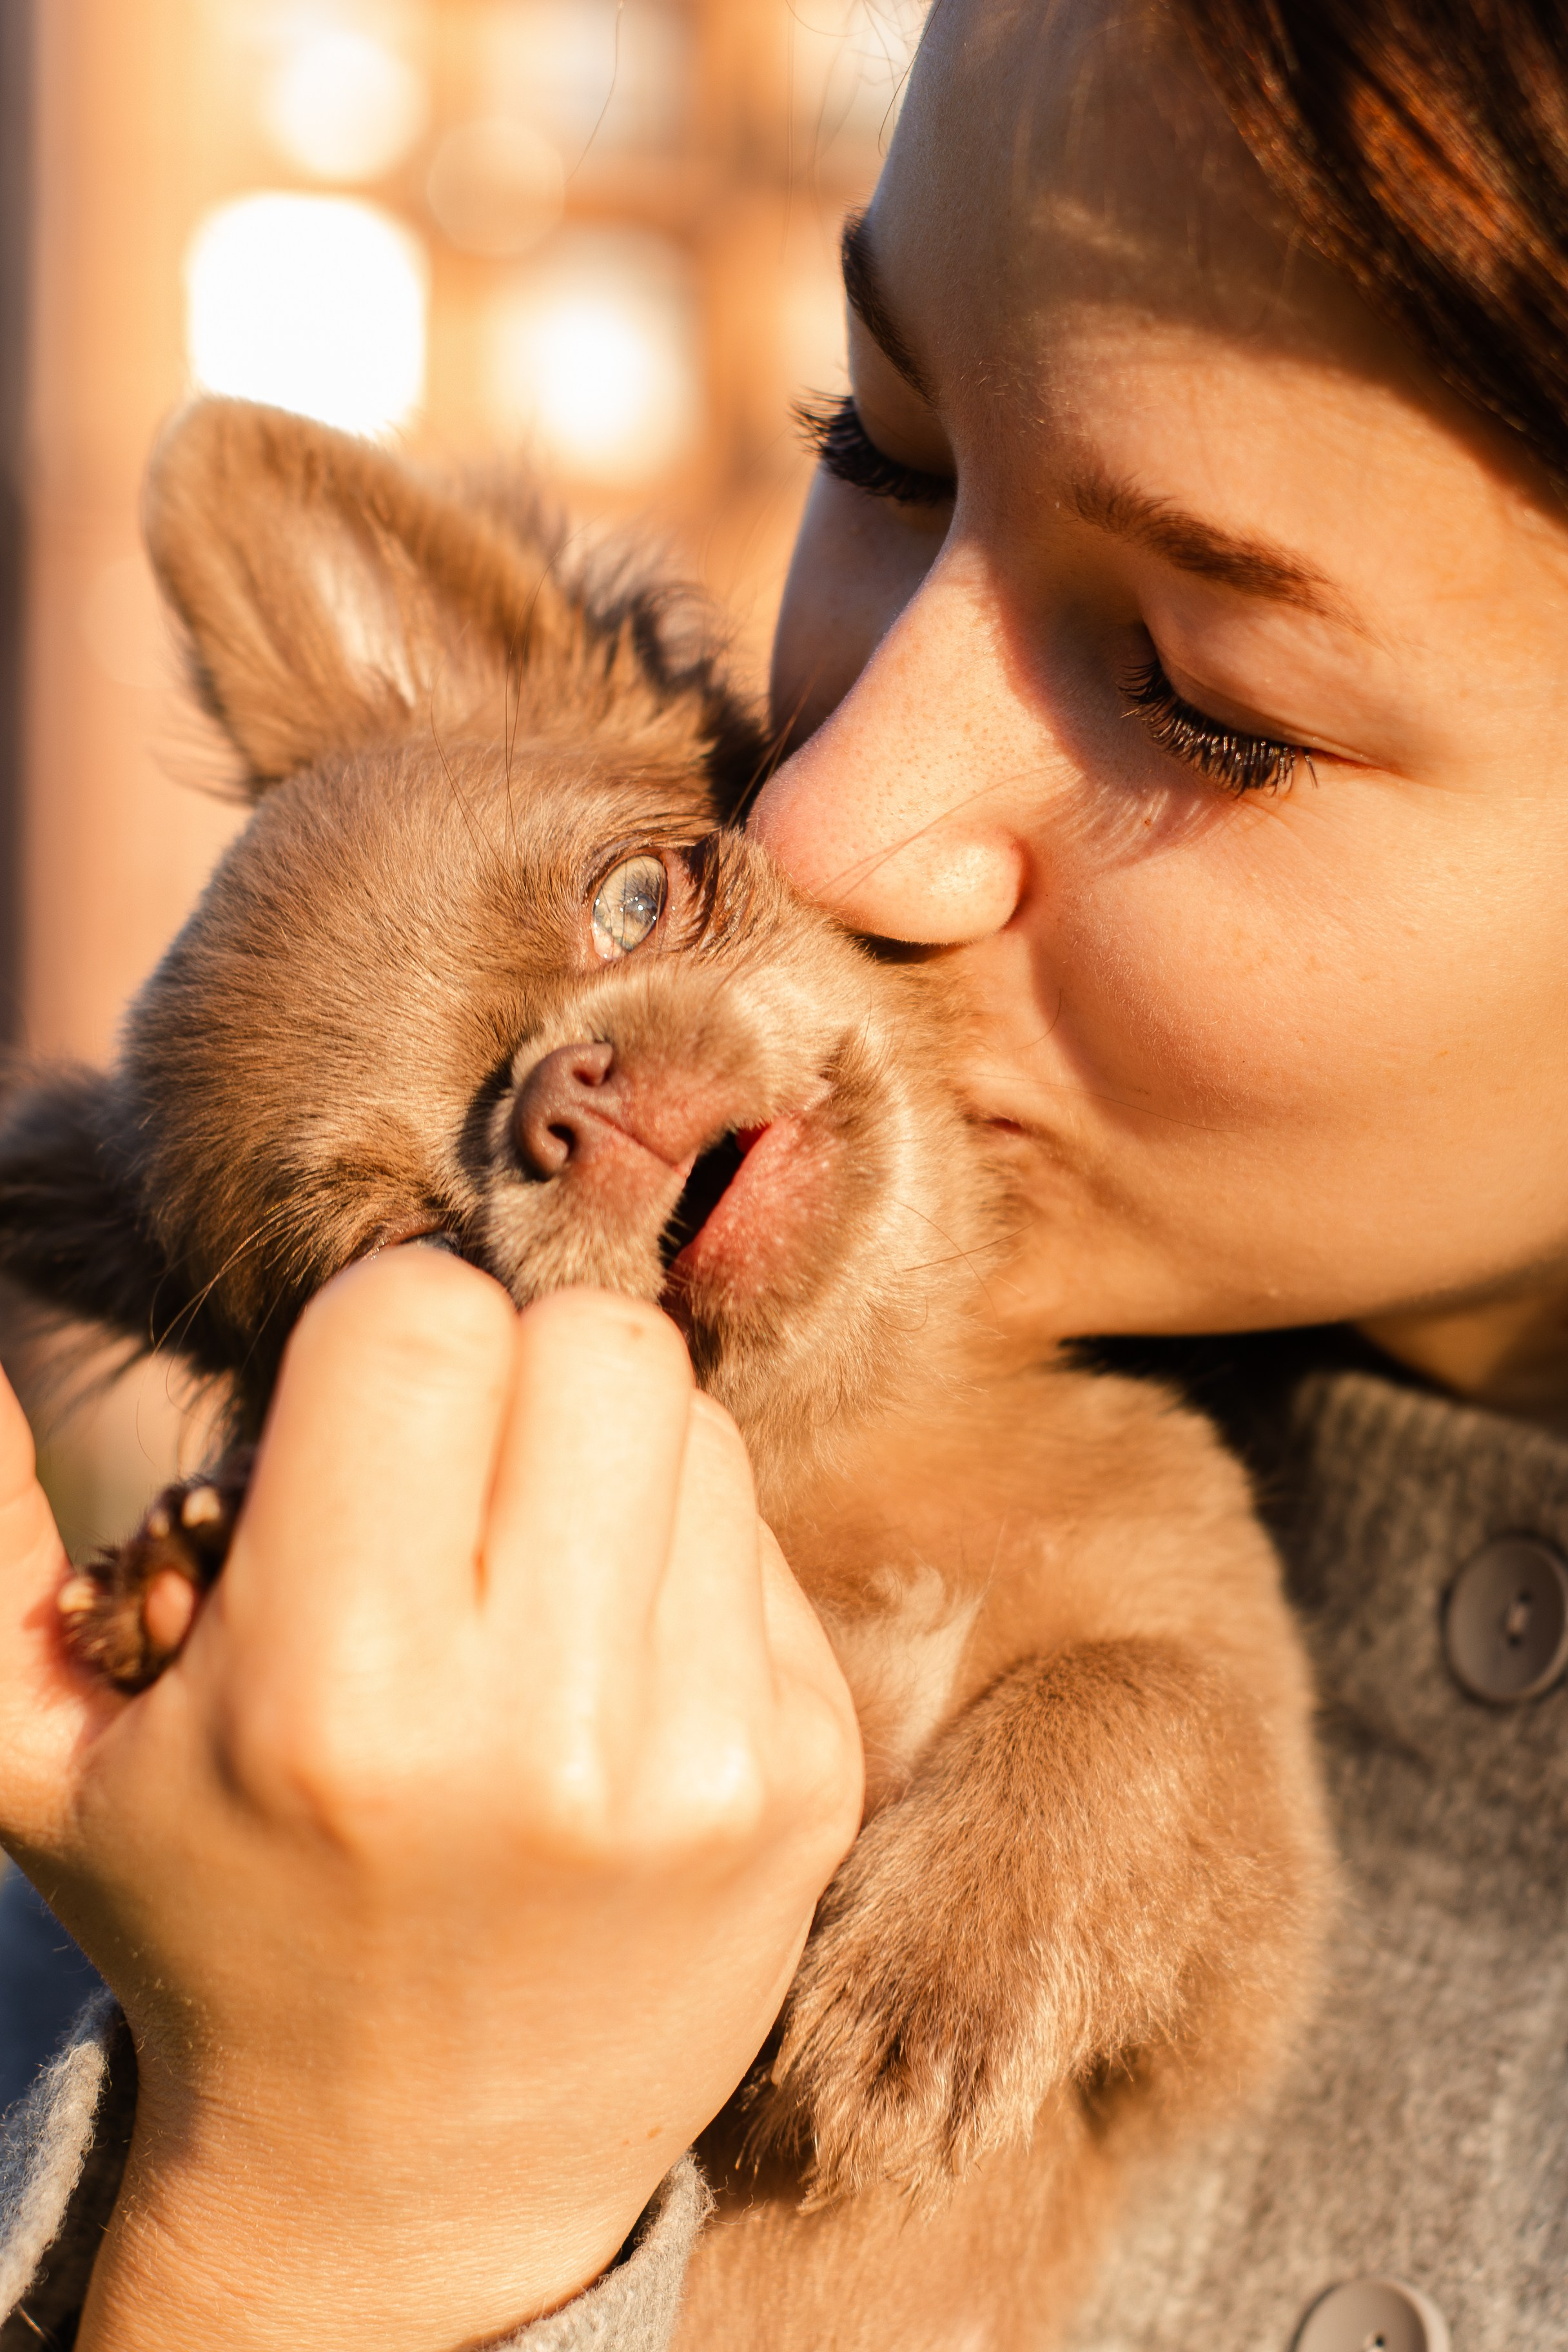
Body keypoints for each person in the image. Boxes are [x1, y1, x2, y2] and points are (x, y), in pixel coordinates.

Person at [4, 0, 1568, 2341]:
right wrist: (324, 2199)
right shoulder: (286, 1780)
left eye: (1205, 690)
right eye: (889, 448)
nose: (810, 816)